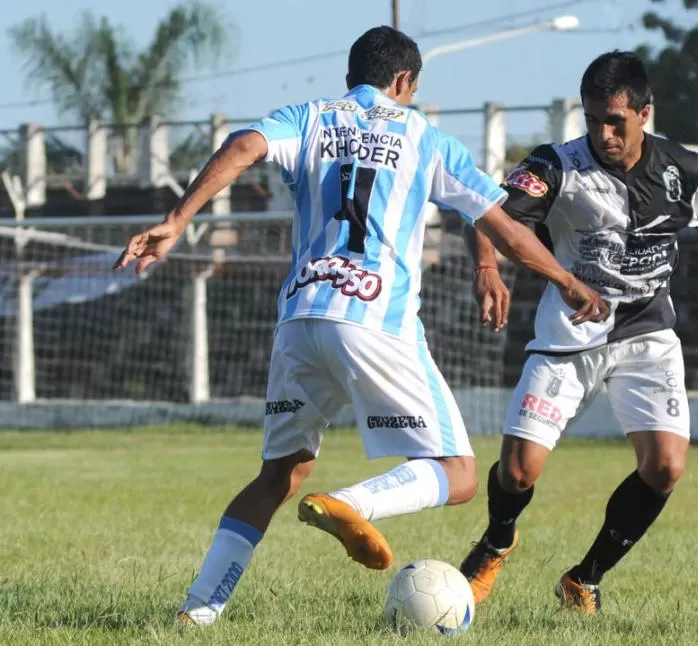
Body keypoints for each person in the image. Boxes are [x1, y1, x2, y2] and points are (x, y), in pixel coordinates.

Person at [114, 26, 609, 627]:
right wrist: (565, 278)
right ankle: (350, 503)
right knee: (458, 474)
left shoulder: (309, 118)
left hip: (300, 318)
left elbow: (244, 145)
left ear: (353, 75)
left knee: (278, 474)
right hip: (375, 320)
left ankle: (197, 612)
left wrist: (176, 219)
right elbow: (504, 225)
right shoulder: (427, 138)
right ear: (404, 82)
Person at [457, 50, 698, 615]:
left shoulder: (683, 168)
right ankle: (496, 540)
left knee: (665, 466)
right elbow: (488, 212)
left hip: (647, 331)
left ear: (644, 114)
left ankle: (584, 579)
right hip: (572, 330)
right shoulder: (555, 166)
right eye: (592, 119)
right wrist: (487, 268)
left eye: (615, 120)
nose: (603, 133)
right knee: (517, 473)